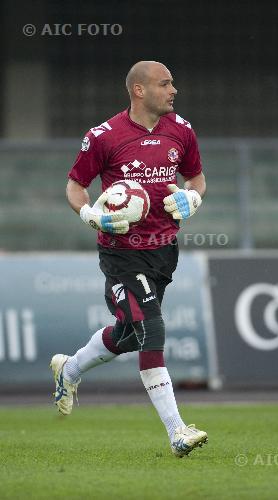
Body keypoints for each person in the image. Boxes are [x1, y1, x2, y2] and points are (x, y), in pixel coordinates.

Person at [50, 61, 208, 458]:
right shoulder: (103, 136)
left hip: (164, 250)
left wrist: (193, 198)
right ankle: (177, 431)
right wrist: (89, 213)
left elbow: (196, 178)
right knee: (151, 330)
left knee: (129, 334)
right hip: (123, 253)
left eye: (172, 82)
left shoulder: (182, 130)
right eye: (165, 83)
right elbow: (75, 185)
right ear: (139, 90)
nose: (174, 89)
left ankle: (69, 369)